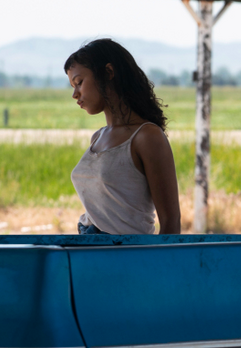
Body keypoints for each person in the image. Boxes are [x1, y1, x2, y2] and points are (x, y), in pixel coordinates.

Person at [65, 38, 181, 235]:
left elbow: (171, 221)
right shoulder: (98, 137)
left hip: (126, 256)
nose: (75, 94)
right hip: (88, 250)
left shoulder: (147, 136)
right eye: (73, 86)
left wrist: (158, 264)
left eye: (79, 82)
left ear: (108, 73)